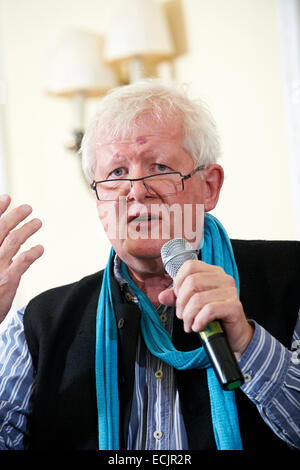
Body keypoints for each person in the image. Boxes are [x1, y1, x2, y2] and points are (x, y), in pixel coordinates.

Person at [0, 79, 299, 451]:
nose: (137, 191)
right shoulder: (36, 327)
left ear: (209, 186)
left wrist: (246, 343)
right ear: (98, 201)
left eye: (159, 167)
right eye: (116, 174)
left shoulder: (293, 278)